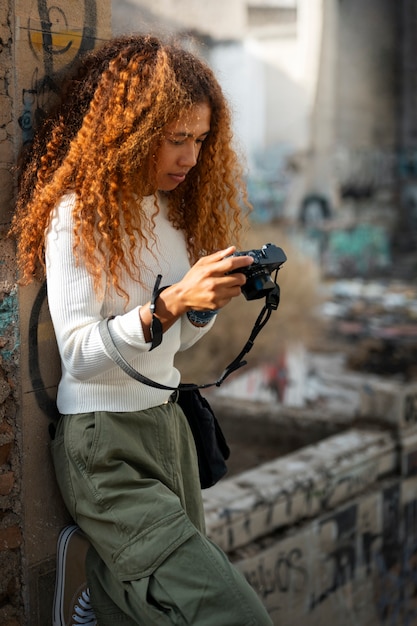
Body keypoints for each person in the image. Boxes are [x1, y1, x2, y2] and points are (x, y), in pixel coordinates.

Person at [11, 34, 274, 625]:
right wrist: (168, 305)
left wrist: (203, 305)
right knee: (233, 614)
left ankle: (100, 607)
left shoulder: (172, 217)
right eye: (176, 138)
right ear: (129, 130)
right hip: (105, 444)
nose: (190, 157)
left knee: (154, 611)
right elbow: (79, 353)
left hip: (167, 428)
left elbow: (173, 341)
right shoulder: (78, 214)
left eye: (201, 140)